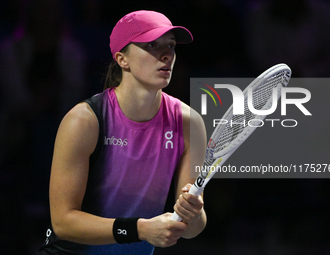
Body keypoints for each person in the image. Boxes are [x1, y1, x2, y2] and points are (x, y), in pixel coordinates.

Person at [36, 10, 207, 254]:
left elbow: (191, 229)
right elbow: (63, 222)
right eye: (152, 45)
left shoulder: (189, 123)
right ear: (122, 59)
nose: (167, 54)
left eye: (170, 45)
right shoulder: (84, 121)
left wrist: (194, 213)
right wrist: (139, 230)